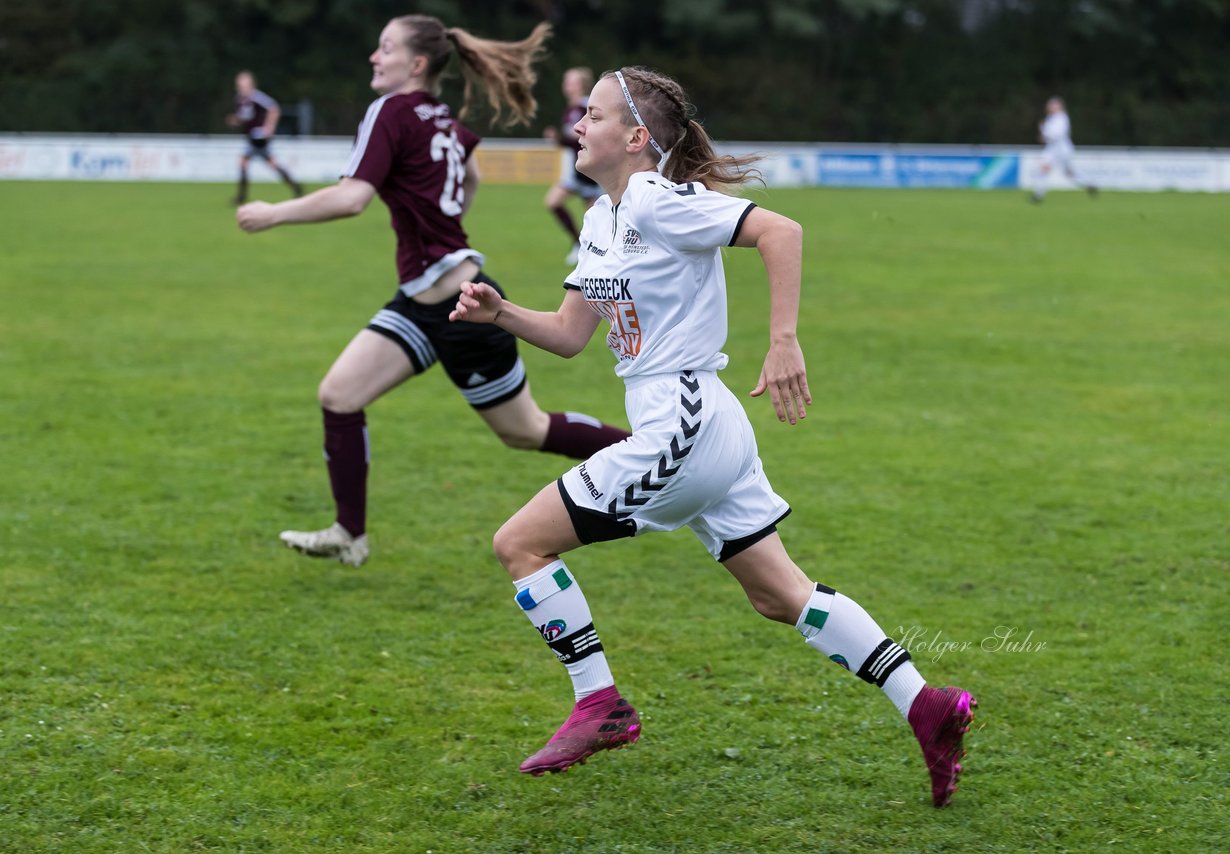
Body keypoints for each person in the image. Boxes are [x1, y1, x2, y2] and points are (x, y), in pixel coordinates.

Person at [449, 66, 976, 808]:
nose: (577, 123)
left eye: (592, 114)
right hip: (700, 423)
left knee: (520, 545)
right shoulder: (602, 219)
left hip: (683, 422)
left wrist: (784, 339)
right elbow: (570, 336)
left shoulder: (662, 201)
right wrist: (501, 313)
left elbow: (778, 230)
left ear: (635, 137)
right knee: (779, 595)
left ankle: (600, 705)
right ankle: (927, 705)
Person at [235, 16, 629, 568]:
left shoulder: (391, 111)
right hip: (425, 299)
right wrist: (445, 230)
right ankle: (350, 534)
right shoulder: (441, 115)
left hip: (463, 306)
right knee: (339, 395)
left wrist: (274, 212)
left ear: (416, 64)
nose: (375, 56)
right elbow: (471, 177)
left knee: (525, 431)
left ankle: (646, 456)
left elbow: (352, 199)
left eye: (385, 47)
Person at [542, 67, 601, 264]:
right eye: (566, 81)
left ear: (581, 85)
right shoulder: (570, 108)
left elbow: (583, 139)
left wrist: (559, 138)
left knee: (595, 220)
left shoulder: (586, 108)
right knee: (553, 202)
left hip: (590, 172)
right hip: (575, 172)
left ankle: (592, 252)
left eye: (571, 81)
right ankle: (578, 244)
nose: (566, 85)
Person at [227, 70, 304, 204]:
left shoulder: (257, 97)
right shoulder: (239, 99)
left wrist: (269, 127)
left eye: (244, 85)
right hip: (250, 138)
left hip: (260, 139)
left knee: (256, 163)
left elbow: (274, 109)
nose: (242, 87)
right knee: (250, 163)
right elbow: (245, 117)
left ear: (251, 84)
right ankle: (296, 188)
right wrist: (235, 120)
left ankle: (241, 197)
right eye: (240, 85)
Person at [1030, 96, 1098, 203]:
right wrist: (1044, 135)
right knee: (1043, 168)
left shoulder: (1062, 118)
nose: (1050, 107)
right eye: (1050, 105)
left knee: (1069, 173)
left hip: (1062, 149)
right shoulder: (1050, 118)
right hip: (1052, 149)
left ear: (1059, 106)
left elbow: (1057, 134)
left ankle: (1088, 183)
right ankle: (1038, 195)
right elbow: (1048, 135)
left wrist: (1045, 134)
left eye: (1053, 105)